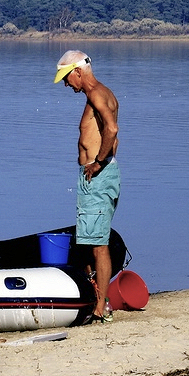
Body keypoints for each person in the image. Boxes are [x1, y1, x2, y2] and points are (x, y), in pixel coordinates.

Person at [54, 50, 121, 323]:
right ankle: (97, 300)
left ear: (78, 71)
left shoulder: (95, 94)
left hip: (97, 176)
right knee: (92, 241)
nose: (67, 85)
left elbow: (112, 130)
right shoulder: (102, 93)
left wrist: (98, 162)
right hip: (97, 177)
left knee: (98, 245)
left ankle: (100, 308)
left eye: (67, 79)